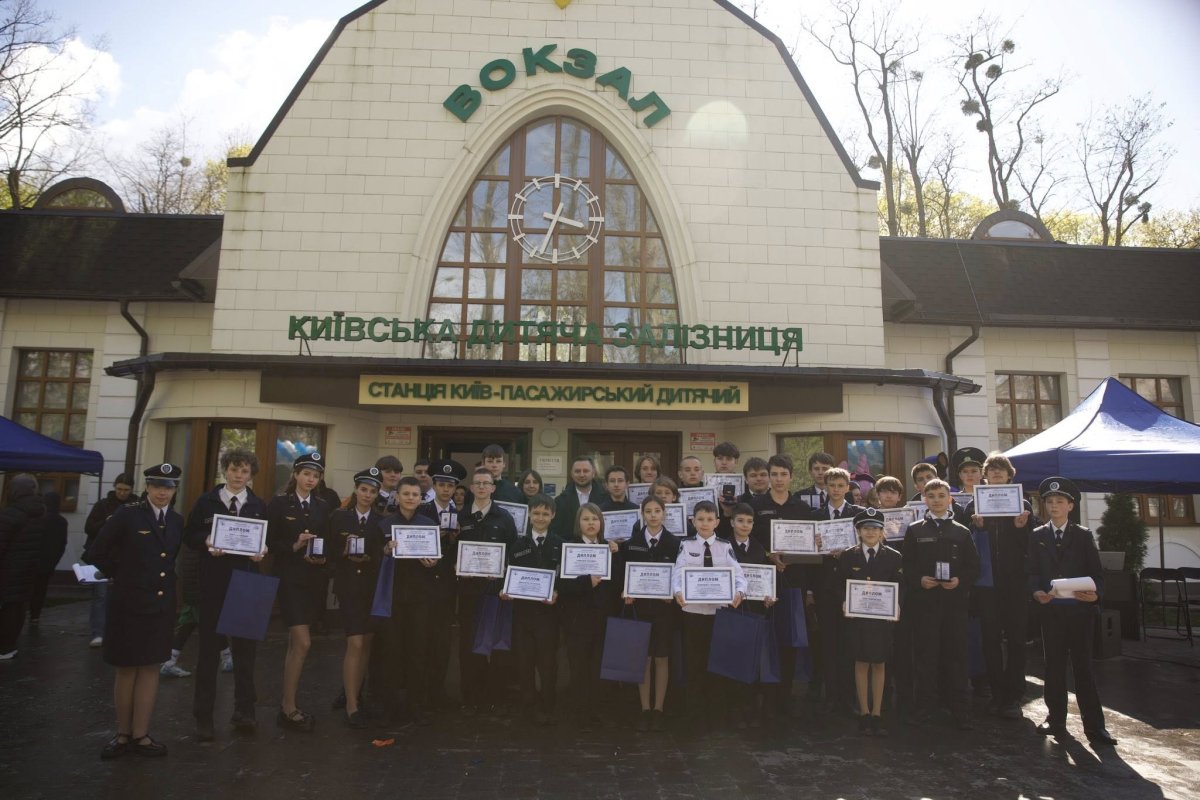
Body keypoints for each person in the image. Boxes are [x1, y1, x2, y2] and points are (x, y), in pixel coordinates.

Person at [86, 464, 184, 759]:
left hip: (160, 605)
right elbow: (96, 552)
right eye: (157, 486)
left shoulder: (176, 520)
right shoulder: (127, 515)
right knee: (127, 668)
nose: (162, 492)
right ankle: (122, 734)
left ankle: (141, 734)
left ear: (175, 490)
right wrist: (122, 574)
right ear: (148, 487)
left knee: (151, 667)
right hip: (129, 604)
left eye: (168, 487)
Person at [184, 448, 268, 741]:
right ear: (225, 470)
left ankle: (245, 711)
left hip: (247, 583)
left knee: (246, 653)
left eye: (244, 471)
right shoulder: (206, 502)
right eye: (234, 469)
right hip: (214, 583)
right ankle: (203, 717)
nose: (238, 476)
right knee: (208, 652)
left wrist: (262, 550)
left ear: (251, 474)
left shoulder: (258, 505)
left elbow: (265, 538)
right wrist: (207, 540)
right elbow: (189, 535)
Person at [1029, 477, 1116, 747]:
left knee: (1083, 668)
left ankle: (1095, 727)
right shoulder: (1037, 536)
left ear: (1070, 506)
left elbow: (1097, 575)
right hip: (1052, 612)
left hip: (1080, 613)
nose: (1054, 506)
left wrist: (1095, 595)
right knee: (1053, 666)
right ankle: (1055, 719)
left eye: (1060, 501)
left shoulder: (1083, 535)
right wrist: (1036, 592)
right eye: (1049, 502)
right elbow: (1032, 572)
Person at [902, 477, 979, 730]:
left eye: (941, 496)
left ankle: (961, 710)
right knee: (925, 657)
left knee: (956, 656)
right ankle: (924, 708)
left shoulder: (962, 531)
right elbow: (906, 565)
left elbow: (973, 567)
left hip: (954, 605)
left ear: (950, 499)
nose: (936, 500)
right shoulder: (914, 530)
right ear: (924, 499)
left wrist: (959, 581)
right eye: (931, 496)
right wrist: (919, 580)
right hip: (925, 604)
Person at [967, 452, 1036, 718]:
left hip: (1015, 584)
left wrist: (1021, 528)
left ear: (1009, 475)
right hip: (986, 586)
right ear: (985, 475)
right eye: (992, 469)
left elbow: (1032, 545)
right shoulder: (973, 505)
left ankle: (1014, 695)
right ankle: (997, 693)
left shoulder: (1023, 505)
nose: (996, 473)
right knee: (990, 640)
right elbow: (965, 546)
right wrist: (978, 527)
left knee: (1017, 640)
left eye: (1001, 469)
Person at [267, 452, 331, 732]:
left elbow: (327, 540)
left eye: (315, 476)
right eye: (306, 474)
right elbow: (268, 542)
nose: (310, 480)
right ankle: (288, 706)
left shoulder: (322, 506)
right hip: (289, 580)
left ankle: (287, 704)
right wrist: (294, 545)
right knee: (303, 643)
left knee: (297, 645)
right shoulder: (280, 503)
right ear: (295, 475)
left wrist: (322, 557)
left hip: (312, 580)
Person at [672, 501, 746, 729]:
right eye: (700, 519)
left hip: (718, 613)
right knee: (694, 663)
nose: (705, 523)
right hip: (693, 613)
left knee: (717, 663)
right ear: (693, 522)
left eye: (709, 519)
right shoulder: (686, 545)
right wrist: (677, 591)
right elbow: (677, 572)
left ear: (717, 522)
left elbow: (739, 575)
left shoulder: (725, 547)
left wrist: (740, 592)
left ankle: (716, 715)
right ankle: (695, 715)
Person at [750, 454, 814, 714]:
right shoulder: (756, 506)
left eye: (783, 474)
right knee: (764, 638)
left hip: (793, 582)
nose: (778, 479)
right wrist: (769, 555)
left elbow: (810, 551)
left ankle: (785, 696)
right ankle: (763, 696)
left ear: (791, 477)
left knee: (788, 639)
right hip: (763, 583)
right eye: (774, 474)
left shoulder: (802, 508)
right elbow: (749, 542)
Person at [456, 468, 518, 716]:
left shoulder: (504, 517)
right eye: (477, 483)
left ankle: (495, 698)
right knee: (468, 645)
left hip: (494, 591)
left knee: (496, 646)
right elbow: (452, 551)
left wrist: (503, 573)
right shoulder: (460, 517)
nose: (482, 487)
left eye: (486, 483)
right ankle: (471, 697)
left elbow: (512, 552)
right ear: (471, 488)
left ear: (493, 488)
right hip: (468, 591)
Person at [838, 508, 903, 737]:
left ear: (882, 531)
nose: (870, 532)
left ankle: (877, 712)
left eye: (875, 528)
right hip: (858, 619)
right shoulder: (848, 556)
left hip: (882, 620)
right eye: (866, 528)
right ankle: (864, 712)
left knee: (879, 663)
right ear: (858, 531)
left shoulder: (894, 557)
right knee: (861, 662)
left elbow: (901, 586)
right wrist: (844, 601)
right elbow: (839, 584)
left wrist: (897, 604)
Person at [619, 494, 681, 732]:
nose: (653, 515)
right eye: (648, 511)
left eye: (657, 511)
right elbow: (625, 574)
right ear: (642, 514)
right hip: (640, 609)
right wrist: (627, 591)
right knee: (643, 658)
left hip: (665, 610)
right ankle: (645, 708)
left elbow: (679, 575)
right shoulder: (632, 543)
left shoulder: (675, 543)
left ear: (664, 513)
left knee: (662, 657)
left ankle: (659, 709)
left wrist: (672, 592)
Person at [380, 476, 440, 724]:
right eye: (406, 494)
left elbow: (438, 559)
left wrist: (433, 562)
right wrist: (385, 551)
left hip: (420, 597)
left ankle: (415, 705)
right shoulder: (385, 524)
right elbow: (375, 557)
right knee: (391, 650)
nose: (410, 498)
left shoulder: (429, 524)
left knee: (418, 650)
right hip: (392, 596)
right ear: (397, 496)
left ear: (420, 498)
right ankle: (390, 706)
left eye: (415, 494)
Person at [329, 468, 386, 727]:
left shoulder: (380, 521)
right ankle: (351, 705)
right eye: (363, 489)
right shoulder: (339, 517)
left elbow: (381, 555)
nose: (367, 495)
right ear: (356, 490)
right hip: (349, 588)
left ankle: (358, 696)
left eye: (372, 491)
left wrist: (371, 557)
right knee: (355, 643)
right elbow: (328, 551)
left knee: (367, 644)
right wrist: (344, 550)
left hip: (371, 590)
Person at [558, 503, 618, 730]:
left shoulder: (609, 548)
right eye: (586, 519)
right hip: (577, 619)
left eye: (595, 519)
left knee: (599, 666)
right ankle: (579, 713)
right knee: (578, 666)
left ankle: (597, 712)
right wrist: (586, 582)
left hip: (603, 618)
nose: (591, 523)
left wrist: (616, 555)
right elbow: (562, 585)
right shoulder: (569, 547)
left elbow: (617, 583)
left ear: (601, 522)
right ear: (578, 523)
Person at [503, 493, 562, 725]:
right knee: (524, 661)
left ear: (553, 515)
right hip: (523, 615)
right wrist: (505, 590)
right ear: (528, 515)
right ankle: (527, 705)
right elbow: (508, 575)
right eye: (536, 513)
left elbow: (565, 577)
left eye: (545, 513)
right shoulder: (518, 545)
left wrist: (557, 592)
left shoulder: (560, 544)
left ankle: (548, 705)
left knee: (548, 663)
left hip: (549, 615)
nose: (540, 518)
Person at [813, 467, 865, 715]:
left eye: (840, 485)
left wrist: (849, 551)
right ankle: (831, 696)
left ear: (847, 487)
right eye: (831, 485)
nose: (835, 489)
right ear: (826, 487)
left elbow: (868, 545)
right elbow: (807, 553)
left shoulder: (858, 514)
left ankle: (849, 697)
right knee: (828, 642)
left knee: (850, 641)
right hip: (824, 586)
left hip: (851, 586)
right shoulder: (816, 515)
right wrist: (816, 545)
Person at [417, 459, 467, 709]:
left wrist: (456, 539)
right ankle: (420, 693)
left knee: (442, 640)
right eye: (442, 485)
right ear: (434, 485)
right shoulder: (421, 511)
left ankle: (438, 691)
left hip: (447, 586)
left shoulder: (460, 514)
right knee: (422, 639)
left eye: (450, 486)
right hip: (424, 585)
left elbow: (462, 553)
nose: (446, 490)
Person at [728, 502, 774, 729]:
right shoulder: (724, 546)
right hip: (733, 610)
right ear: (732, 522)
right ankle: (736, 708)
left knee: (755, 659)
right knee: (735, 659)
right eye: (740, 521)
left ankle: (754, 707)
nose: (744, 525)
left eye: (749, 522)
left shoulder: (758, 547)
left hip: (755, 609)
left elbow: (765, 578)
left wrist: (768, 596)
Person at [83, 473, 136, 648]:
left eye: (126, 490)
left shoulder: (136, 506)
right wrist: (106, 522)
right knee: (101, 595)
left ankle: (118, 632)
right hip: (103, 557)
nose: (122, 493)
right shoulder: (103, 505)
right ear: (114, 487)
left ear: (131, 490)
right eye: (119, 489)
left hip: (125, 558)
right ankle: (98, 632)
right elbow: (89, 528)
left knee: (124, 596)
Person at [0, 475, 46, 660]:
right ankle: (9, 646)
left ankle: (4, 647)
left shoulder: (10, 514)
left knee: (7, 607)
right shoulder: (41, 513)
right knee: (18, 607)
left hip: (7, 570)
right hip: (28, 570)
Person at [27, 491, 67, 627]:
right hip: (48, 563)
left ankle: (24, 614)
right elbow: (62, 544)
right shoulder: (61, 522)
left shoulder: (37, 518)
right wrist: (54, 561)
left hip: (32, 560)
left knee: (28, 588)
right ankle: (35, 616)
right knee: (41, 590)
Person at [550, 456, 609, 539]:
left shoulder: (606, 498)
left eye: (586, 471)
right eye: (577, 471)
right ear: (571, 474)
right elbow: (556, 531)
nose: (581, 475)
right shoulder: (560, 501)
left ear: (593, 473)